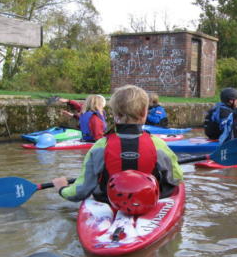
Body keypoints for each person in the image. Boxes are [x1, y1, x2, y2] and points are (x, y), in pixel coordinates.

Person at [52, 84, 183, 206]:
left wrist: (62, 189)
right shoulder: (159, 145)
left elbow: (80, 191)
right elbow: (176, 179)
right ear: (144, 114)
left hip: (107, 202)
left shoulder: (99, 147)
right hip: (149, 202)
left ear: (115, 114)